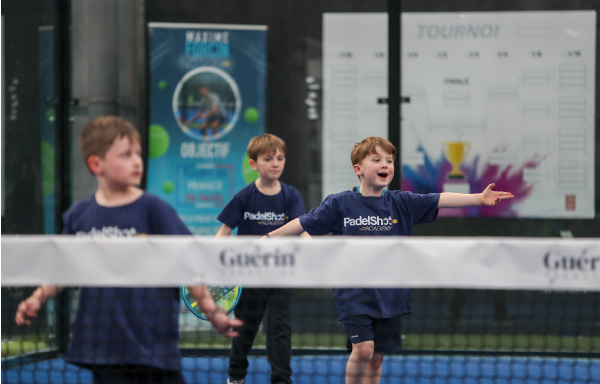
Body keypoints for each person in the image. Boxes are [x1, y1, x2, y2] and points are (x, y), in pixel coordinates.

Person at [264, 136, 514, 384]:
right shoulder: (340, 203)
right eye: (377, 159)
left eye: (389, 160)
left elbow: (440, 198)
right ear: (358, 169)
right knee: (362, 350)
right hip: (354, 294)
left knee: (376, 358)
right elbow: (302, 223)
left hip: (391, 294)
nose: (385, 164)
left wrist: (478, 198)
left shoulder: (402, 202)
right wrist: (266, 239)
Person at [15, 116, 242, 384]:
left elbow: (186, 261)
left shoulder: (153, 208)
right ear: (96, 164)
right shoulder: (79, 215)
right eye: (125, 155)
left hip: (154, 345)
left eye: (138, 154)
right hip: (104, 347)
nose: (136, 161)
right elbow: (66, 268)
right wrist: (37, 297)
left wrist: (211, 310)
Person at [215, 133, 309, 384]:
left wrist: (317, 252)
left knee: (280, 330)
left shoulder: (291, 196)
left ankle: (281, 379)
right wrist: (209, 260)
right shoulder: (244, 197)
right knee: (244, 330)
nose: (276, 163)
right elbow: (224, 232)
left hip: (281, 275)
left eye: (280, 158)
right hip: (249, 277)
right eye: (268, 159)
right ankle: (236, 376)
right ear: (254, 164)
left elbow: (301, 229)